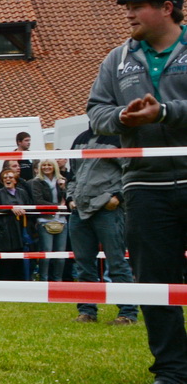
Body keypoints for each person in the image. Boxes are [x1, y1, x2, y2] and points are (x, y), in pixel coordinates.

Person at [87, 0, 187, 384]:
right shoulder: (117, 59)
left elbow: (166, 111)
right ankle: (172, 372)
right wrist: (120, 120)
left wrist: (164, 112)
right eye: (126, 7)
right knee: (155, 281)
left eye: (138, 6)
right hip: (144, 184)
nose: (128, 14)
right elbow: (96, 111)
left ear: (168, 8)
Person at [66, 128, 137, 325]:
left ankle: (128, 313)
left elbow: (132, 170)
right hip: (79, 210)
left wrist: (118, 198)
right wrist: (70, 198)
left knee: (117, 262)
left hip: (107, 210)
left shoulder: (120, 137)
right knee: (83, 264)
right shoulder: (80, 138)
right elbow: (73, 173)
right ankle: (87, 311)